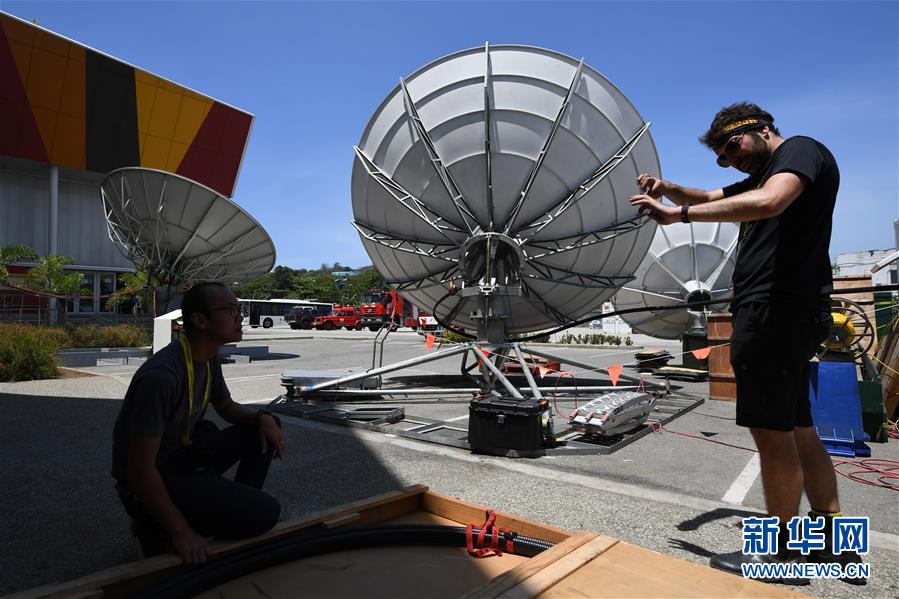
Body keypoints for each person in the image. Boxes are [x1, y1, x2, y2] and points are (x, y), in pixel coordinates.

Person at [629, 103, 864, 585]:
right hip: (791, 312)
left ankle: (779, 557)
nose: (731, 160)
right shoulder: (766, 171)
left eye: (733, 147)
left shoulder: (798, 152)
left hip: (773, 312)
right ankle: (834, 547)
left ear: (761, 129)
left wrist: (679, 215)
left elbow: (769, 202)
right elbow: (718, 194)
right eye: (722, 156)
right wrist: (671, 188)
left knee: (771, 436)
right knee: (800, 430)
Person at [112, 282, 285, 564]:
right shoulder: (162, 376)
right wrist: (181, 532)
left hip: (184, 460)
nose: (240, 316)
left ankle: (231, 511)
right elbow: (138, 469)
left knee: (264, 425)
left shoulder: (207, 357)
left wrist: (264, 417)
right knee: (267, 513)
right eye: (230, 310)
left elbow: (226, 407)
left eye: (239, 310)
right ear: (200, 319)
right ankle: (155, 525)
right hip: (153, 478)